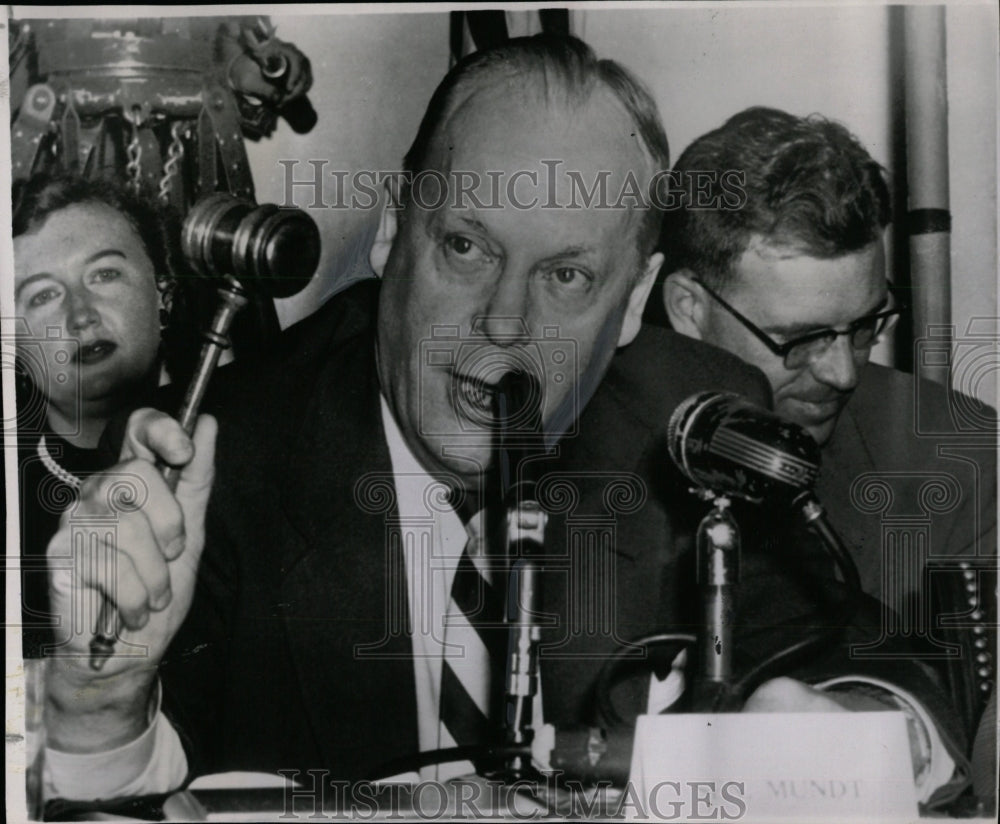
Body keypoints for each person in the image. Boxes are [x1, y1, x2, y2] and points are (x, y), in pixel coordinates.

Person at [34, 41, 964, 807]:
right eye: (467, 247)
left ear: (635, 295)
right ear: (396, 234)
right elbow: (121, 785)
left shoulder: (679, 417)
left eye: (566, 277)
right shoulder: (225, 456)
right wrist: (103, 715)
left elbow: (896, 669)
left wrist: (849, 729)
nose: (505, 325)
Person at [648, 106, 996, 785]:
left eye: (866, 326)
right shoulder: (584, 428)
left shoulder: (961, 456)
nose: (842, 373)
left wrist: (887, 733)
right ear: (689, 307)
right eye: (801, 338)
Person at [13, 174, 202, 660]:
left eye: (104, 275)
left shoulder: (244, 441)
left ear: (164, 291)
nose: (81, 315)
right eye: (41, 296)